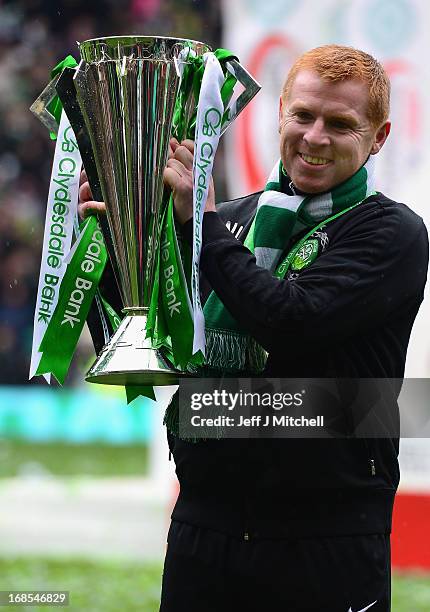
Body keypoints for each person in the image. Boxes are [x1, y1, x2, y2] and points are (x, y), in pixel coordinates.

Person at [79, 45, 428, 611]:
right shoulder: (232, 220)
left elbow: (289, 320)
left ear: (379, 136)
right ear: (282, 111)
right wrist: (106, 250)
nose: (315, 137)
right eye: (304, 116)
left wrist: (203, 225)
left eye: (341, 124)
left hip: (325, 534)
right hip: (205, 523)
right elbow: (164, 337)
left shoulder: (391, 233)